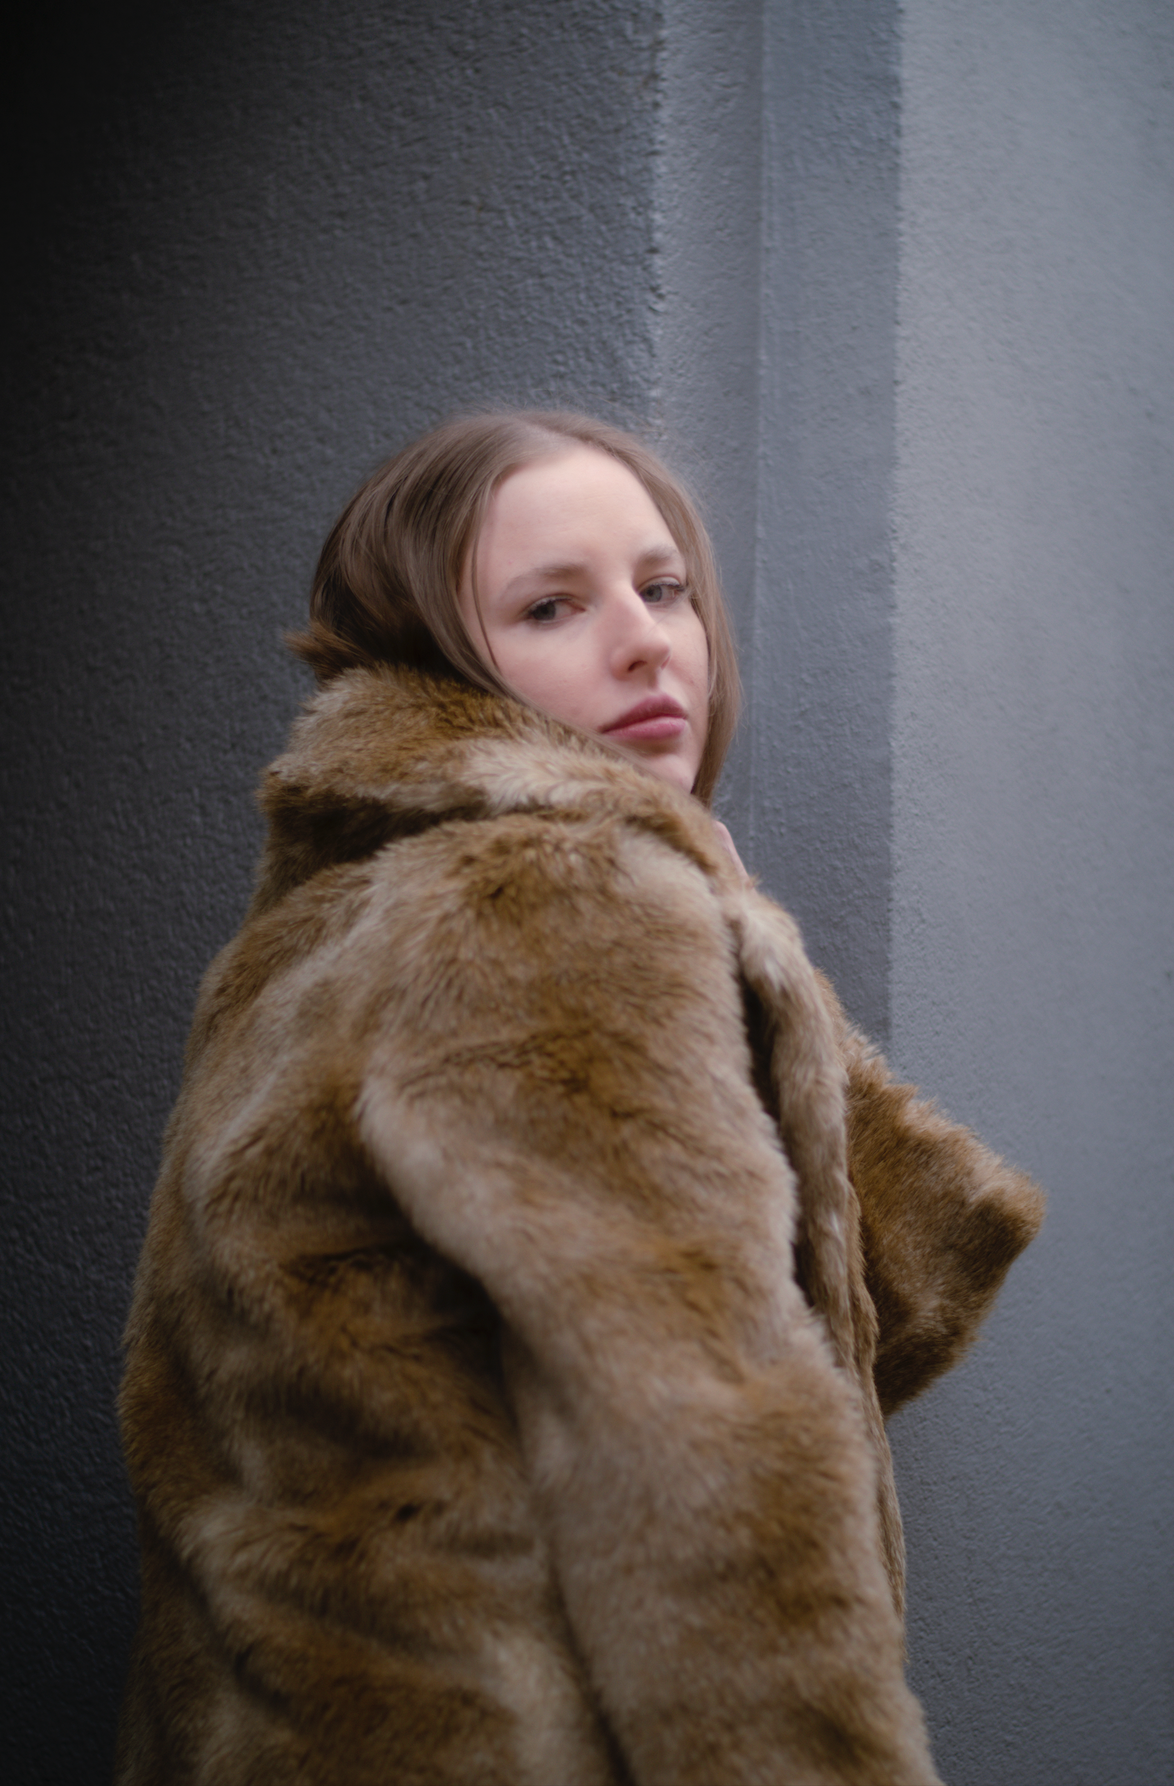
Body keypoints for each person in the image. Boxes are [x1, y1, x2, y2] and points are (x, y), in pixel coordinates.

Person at [116, 411, 1044, 1786]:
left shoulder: (334, 918)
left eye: (663, 587)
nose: (644, 641)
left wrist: (726, 944)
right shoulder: (551, 901)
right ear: (432, 658)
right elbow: (702, 1463)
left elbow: (869, 1298)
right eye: (550, 605)